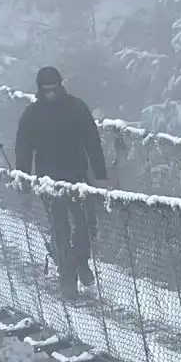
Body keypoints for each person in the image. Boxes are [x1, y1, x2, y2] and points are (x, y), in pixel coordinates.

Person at [14, 66, 108, 298]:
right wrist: (25, 182)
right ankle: (68, 279)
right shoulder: (32, 115)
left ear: (60, 86)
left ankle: (80, 261)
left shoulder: (76, 108)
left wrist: (101, 175)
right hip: (49, 181)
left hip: (77, 177)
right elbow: (23, 149)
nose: (51, 94)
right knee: (60, 229)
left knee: (87, 224)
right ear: (40, 90)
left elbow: (92, 141)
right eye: (47, 91)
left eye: (54, 89)